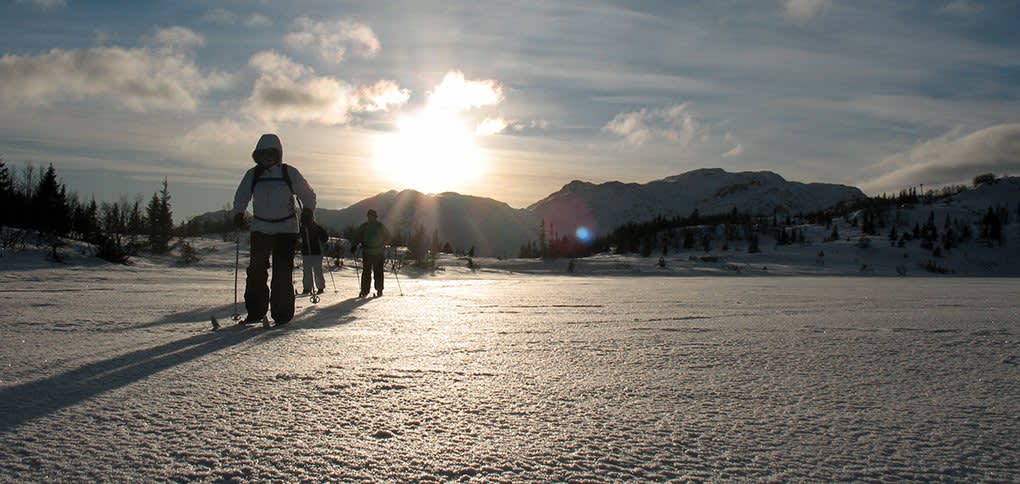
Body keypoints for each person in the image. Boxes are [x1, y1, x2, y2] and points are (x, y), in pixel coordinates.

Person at [232, 133, 316, 325]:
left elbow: (307, 194)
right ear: (257, 155)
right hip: (260, 229)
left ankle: (282, 314)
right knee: (256, 271)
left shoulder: (289, 173)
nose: (267, 158)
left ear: (278, 155)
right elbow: (241, 195)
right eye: (263, 154)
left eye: (271, 154)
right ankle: (255, 312)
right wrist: (238, 213)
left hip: (286, 231)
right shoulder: (252, 175)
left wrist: (309, 211)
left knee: (282, 273)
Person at [354, 209, 390, 298]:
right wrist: (384, 243)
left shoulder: (365, 226)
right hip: (377, 252)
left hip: (368, 252)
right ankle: (378, 290)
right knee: (377, 272)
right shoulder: (380, 226)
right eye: (370, 216)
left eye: (371, 216)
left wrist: (354, 245)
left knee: (367, 272)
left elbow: (357, 235)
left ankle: (365, 291)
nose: (370, 218)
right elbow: (388, 236)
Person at [299, 215, 329, 295]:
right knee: (307, 271)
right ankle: (307, 288)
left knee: (317, 270)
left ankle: (320, 287)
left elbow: (325, 238)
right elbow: (297, 236)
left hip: (316, 252)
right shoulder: (302, 228)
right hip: (306, 252)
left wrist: (322, 238)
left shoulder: (317, 228)